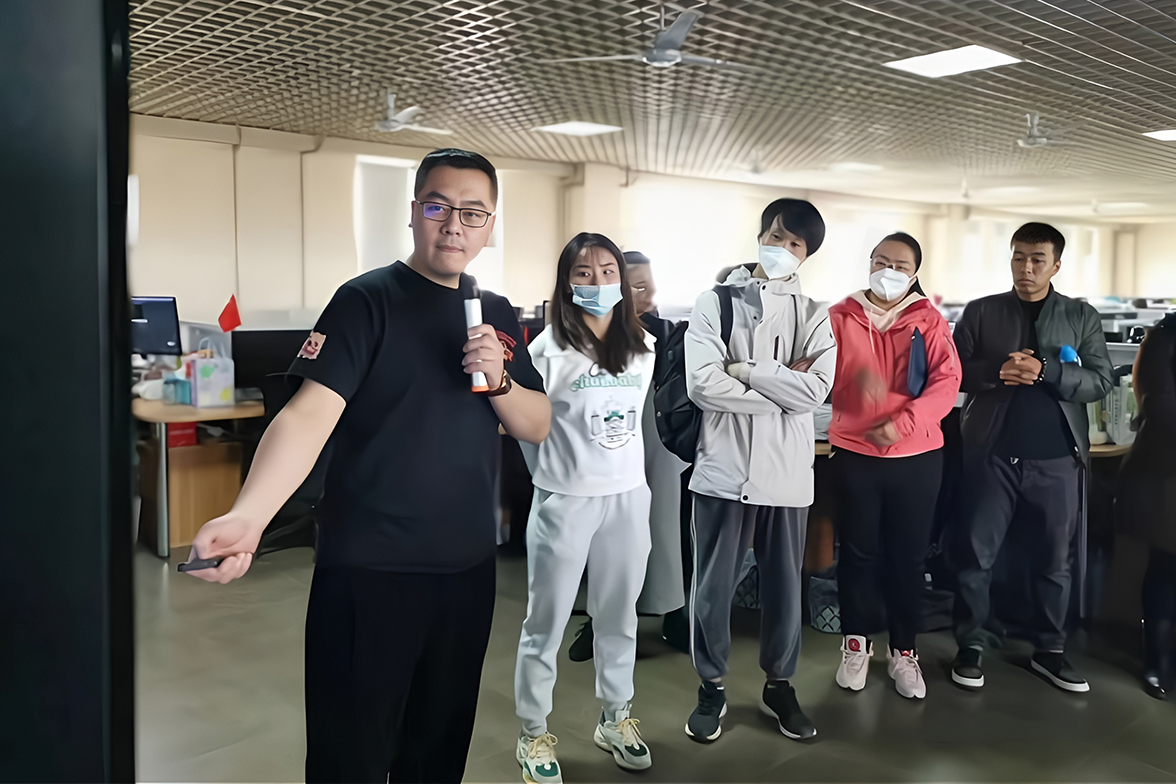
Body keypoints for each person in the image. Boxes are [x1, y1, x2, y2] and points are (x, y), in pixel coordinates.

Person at [182, 149, 551, 784]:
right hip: (370, 572)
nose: (454, 225)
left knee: (437, 752)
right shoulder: (366, 301)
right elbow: (306, 416)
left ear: (491, 226)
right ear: (413, 212)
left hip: (466, 570)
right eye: (438, 207)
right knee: (349, 756)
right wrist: (250, 515)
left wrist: (499, 381)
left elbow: (536, 422)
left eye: (473, 212)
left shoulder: (493, 310)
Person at [683, 198, 835, 743]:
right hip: (723, 471)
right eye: (775, 236)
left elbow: (816, 392)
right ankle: (711, 686)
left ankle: (780, 685)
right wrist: (781, 388)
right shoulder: (715, 303)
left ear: (807, 254)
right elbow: (703, 384)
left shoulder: (815, 314)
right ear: (760, 237)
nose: (782, 249)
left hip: (786, 476)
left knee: (784, 589)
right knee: (712, 588)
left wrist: (745, 370)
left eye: (795, 243)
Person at [513, 233, 656, 784]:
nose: (597, 282)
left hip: (627, 497)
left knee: (619, 616)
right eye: (583, 273)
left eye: (607, 272)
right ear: (566, 282)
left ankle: (615, 718)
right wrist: (552, 479)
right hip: (565, 499)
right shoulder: (545, 351)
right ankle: (532, 732)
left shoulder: (643, 347)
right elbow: (525, 428)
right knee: (545, 622)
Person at [950, 221, 1112, 693]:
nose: (1026, 267)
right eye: (1019, 257)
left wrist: (1047, 372)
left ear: (1055, 265)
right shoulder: (982, 311)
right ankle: (971, 644)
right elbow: (953, 372)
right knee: (976, 556)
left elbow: (1100, 380)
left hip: (1056, 457)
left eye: (1037, 259)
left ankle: (1050, 650)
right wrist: (996, 371)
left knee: (1054, 561)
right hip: (992, 455)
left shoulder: (1080, 315)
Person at [827, 232, 962, 699]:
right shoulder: (840, 316)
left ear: (915, 274)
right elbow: (824, 376)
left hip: (917, 458)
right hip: (854, 453)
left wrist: (902, 423)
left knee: (908, 557)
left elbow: (946, 383)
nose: (889, 271)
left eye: (900, 266)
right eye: (881, 261)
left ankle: (904, 651)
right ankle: (856, 644)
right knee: (857, 555)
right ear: (869, 263)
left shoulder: (928, 319)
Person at [567, 251, 690, 663]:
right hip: (605, 445)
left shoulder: (668, 333)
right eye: (638, 287)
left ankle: (674, 612)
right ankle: (602, 619)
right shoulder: (587, 333)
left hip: (659, 443)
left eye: (650, 286)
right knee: (607, 532)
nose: (649, 295)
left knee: (667, 530)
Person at [1116, 312, 1176, 699]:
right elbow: (1160, 406)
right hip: (1166, 475)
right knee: (1167, 568)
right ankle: (1156, 662)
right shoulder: (1165, 337)